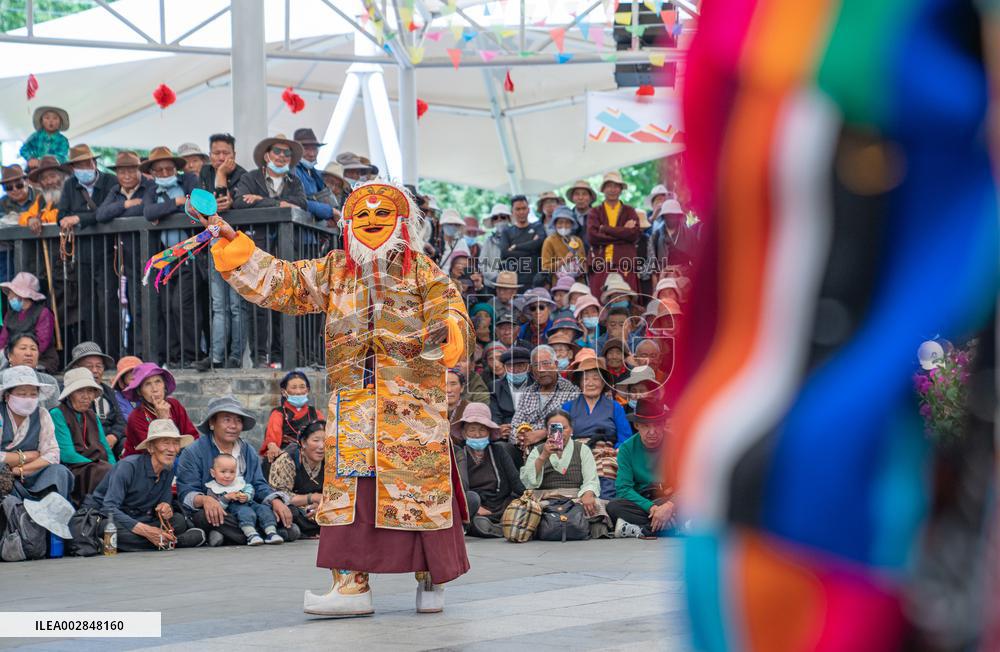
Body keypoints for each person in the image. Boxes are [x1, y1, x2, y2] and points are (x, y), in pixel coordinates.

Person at [197, 179, 471, 617]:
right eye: (362, 214)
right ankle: (350, 587)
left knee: (418, 490)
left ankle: (431, 579)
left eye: (382, 214)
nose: (372, 221)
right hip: (354, 405)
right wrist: (235, 243)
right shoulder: (335, 269)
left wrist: (449, 330)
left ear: (402, 222)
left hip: (412, 411)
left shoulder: (423, 270)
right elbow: (284, 281)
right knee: (351, 498)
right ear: (348, 224)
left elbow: (452, 309)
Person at [177, 395, 297, 548]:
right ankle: (272, 532)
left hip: (248, 507)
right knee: (204, 517)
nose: (233, 426)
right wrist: (206, 500)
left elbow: (259, 485)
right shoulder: (193, 452)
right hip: (220, 510)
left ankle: (231, 535)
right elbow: (186, 493)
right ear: (212, 423)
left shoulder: (248, 451)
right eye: (227, 420)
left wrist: (275, 501)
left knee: (289, 509)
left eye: (238, 421)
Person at [82, 419, 205, 551]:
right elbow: (109, 508)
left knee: (178, 521)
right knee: (108, 527)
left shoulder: (167, 470)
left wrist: (166, 509)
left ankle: (142, 542)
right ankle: (176, 542)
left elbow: (163, 504)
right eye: (165, 443)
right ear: (151, 448)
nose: (171, 449)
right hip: (110, 518)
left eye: (175, 443)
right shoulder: (128, 467)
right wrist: (146, 531)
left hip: (140, 518)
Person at [142, 146, 204, 367]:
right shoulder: (151, 189)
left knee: (182, 305)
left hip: (190, 254)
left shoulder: (187, 181)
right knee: (167, 306)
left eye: (169, 168)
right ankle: (175, 356)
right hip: (166, 258)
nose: (165, 173)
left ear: (176, 169)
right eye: (159, 170)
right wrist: (176, 204)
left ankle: (192, 354)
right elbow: (148, 212)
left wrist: (166, 210)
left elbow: (196, 206)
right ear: (152, 172)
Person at [519, 410, 610, 536]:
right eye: (554, 428)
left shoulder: (582, 449)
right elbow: (528, 482)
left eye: (564, 428)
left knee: (596, 505)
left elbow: (591, 479)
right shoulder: (538, 451)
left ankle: (591, 528)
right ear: (547, 431)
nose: (559, 432)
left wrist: (588, 494)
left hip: (575, 499)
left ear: (571, 429)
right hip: (546, 499)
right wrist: (543, 456)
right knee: (526, 509)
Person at [0, 365, 72, 500]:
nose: (28, 399)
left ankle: (52, 510)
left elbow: (52, 454)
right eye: (22, 394)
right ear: (7, 396)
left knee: (60, 472)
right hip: (3, 478)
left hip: (31, 475)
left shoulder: (42, 414)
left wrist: (19, 470)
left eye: (33, 394)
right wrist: (25, 456)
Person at [452, 403, 524, 538]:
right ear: (464, 433)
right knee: (472, 504)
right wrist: (477, 507)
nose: (477, 434)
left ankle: (496, 526)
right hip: (476, 509)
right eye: (472, 430)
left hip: (500, 506)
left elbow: (515, 482)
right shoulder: (459, 453)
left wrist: (528, 497)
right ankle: (492, 527)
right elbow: (459, 488)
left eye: (482, 430)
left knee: (517, 508)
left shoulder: (499, 451)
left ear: (489, 432)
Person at [608, 401, 675, 538]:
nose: (652, 432)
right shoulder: (627, 448)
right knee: (613, 506)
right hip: (643, 501)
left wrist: (669, 505)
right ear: (636, 425)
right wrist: (652, 508)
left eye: (657, 425)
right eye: (646, 426)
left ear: (663, 424)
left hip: (669, 498)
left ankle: (640, 529)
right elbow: (623, 488)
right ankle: (673, 525)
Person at [51, 367, 116, 504]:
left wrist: (115, 468)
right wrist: (98, 466)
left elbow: (106, 448)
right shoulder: (57, 414)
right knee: (104, 472)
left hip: (98, 465)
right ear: (69, 394)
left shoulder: (92, 415)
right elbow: (67, 454)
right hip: (74, 467)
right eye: (80, 391)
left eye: (90, 391)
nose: (86, 396)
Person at [509, 345, 580, 458]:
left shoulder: (570, 391)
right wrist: (522, 438)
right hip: (525, 447)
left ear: (555, 364)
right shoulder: (528, 392)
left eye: (546, 363)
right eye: (536, 365)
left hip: (555, 447)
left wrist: (543, 433)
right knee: (501, 448)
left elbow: (571, 426)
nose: (541, 370)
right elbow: (514, 426)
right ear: (531, 369)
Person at [205, 453, 284, 545]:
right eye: (223, 472)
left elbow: (250, 489)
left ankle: (271, 532)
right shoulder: (213, 489)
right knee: (245, 512)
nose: (227, 475)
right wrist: (226, 498)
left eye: (232, 472)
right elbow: (217, 507)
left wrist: (247, 496)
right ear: (213, 473)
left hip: (251, 504)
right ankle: (251, 534)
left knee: (264, 509)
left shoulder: (239, 482)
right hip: (235, 511)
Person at [121, 363, 198, 457]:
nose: (155, 389)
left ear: (164, 386)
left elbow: (193, 436)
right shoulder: (136, 417)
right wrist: (163, 420)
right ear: (140, 391)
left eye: (158, 381)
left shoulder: (174, 405)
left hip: (178, 456)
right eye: (147, 384)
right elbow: (155, 451)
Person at [63, 342, 126, 458]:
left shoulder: (109, 392)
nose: (95, 370)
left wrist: (114, 436)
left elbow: (121, 421)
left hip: (111, 442)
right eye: (89, 367)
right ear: (76, 368)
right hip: (85, 444)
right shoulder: (69, 394)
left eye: (99, 366)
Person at [268, 420, 326, 538]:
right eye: (316, 440)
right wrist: (313, 497)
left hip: (314, 509)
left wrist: (323, 505)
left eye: (326, 441)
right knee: (290, 512)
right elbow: (280, 494)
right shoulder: (288, 459)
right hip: (292, 507)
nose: (322, 446)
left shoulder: (331, 461)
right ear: (303, 442)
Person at [587, 171, 641, 297]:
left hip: (624, 263)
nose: (612, 190)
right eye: (609, 186)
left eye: (616, 186)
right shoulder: (595, 212)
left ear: (621, 189)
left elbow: (634, 235)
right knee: (599, 301)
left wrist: (605, 229)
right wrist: (623, 234)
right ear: (603, 189)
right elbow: (592, 237)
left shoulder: (629, 211)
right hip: (600, 263)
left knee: (627, 299)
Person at [562, 349, 632, 447]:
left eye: (595, 378)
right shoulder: (567, 407)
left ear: (603, 383)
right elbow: (559, 437)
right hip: (576, 451)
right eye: (585, 379)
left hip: (607, 452)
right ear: (580, 383)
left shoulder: (615, 407)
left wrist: (613, 450)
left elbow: (625, 440)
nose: (590, 383)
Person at [260, 370, 324, 465]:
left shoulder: (316, 413)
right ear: (284, 392)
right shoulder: (278, 413)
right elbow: (272, 438)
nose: (298, 392)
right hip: (287, 458)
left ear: (307, 390)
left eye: (302, 387)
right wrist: (272, 446)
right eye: (294, 387)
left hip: (312, 457)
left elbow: (324, 437)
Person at [0, 272, 57, 372]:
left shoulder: (43, 313)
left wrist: (21, 355)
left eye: (11, 294)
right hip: (12, 358)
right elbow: (3, 339)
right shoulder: (10, 314)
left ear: (21, 295)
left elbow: (42, 343)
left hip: (40, 360)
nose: (8, 297)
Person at [235, 134, 308, 211]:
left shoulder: (295, 181)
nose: (282, 155)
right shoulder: (250, 178)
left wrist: (262, 199)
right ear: (266, 157)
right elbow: (239, 202)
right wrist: (277, 204)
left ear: (290, 159)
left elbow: (303, 204)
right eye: (277, 151)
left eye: (287, 153)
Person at [498, 195, 546, 289]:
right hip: (514, 282)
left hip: (535, 281)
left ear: (528, 210)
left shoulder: (538, 227)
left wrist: (516, 247)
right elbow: (504, 253)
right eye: (518, 209)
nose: (521, 212)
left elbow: (539, 243)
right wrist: (532, 249)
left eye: (524, 208)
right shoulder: (507, 232)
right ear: (512, 211)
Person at [292, 128, 338, 223]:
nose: (312, 154)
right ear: (296, 150)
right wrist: (329, 211)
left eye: (314, 149)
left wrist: (332, 217)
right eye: (306, 149)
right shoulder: (291, 170)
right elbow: (294, 201)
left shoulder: (316, 174)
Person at [4, 333, 60, 409]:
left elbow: (54, 411)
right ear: (10, 355)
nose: (29, 353)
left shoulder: (49, 381)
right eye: (23, 348)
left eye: (33, 349)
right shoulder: (1, 380)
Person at [96, 151, 151, 222]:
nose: (127, 176)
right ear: (116, 174)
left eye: (131, 172)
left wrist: (112, 214)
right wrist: (125, 204)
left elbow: (142, 210)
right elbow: (100, 215)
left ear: (140, 172)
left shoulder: (150, 186)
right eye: (121, 172)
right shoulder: (115, 189)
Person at [19, 156, 66, 233]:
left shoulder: (71, 193)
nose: (49, 182)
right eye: (44, 179)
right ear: (40, 182)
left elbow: (61, 215)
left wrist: (39, 220)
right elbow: (24, 216)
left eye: (53, 176)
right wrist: (29, 219)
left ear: (62, 177)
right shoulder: (41, 198)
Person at [649, 198, 698, 270]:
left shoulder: (690, 234)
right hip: (663, 273)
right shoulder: (656, 235)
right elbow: (652, 261)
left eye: (674, 215)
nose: (671, 218)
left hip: (685, 273)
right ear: (663, 216)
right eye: (668, 215)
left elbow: (697, 260)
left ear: (679, 216)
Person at [490, 346, 531, 428]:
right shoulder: (495, 387)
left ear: (529, 367)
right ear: (505, 368)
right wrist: (500, 429)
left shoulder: (538, 384)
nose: (515, 370)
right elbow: (495, 415)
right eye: (510, 366)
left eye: (520, 366)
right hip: (507, 430)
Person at [478, 203, 511, 289]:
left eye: (503, 217)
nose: (499, 220)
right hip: (492, 285)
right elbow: (482, 264)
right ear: (493, 222)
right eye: (495, 218)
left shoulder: (516, 238)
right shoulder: (488, 241)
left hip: (512, 284)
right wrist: (496, 277)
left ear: (508, 219)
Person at [446, 368, 469, 441]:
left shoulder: (471, 409)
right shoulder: (430, 410)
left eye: (453, 384)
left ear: (462, 387)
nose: (449, 390)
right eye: (444, 384)